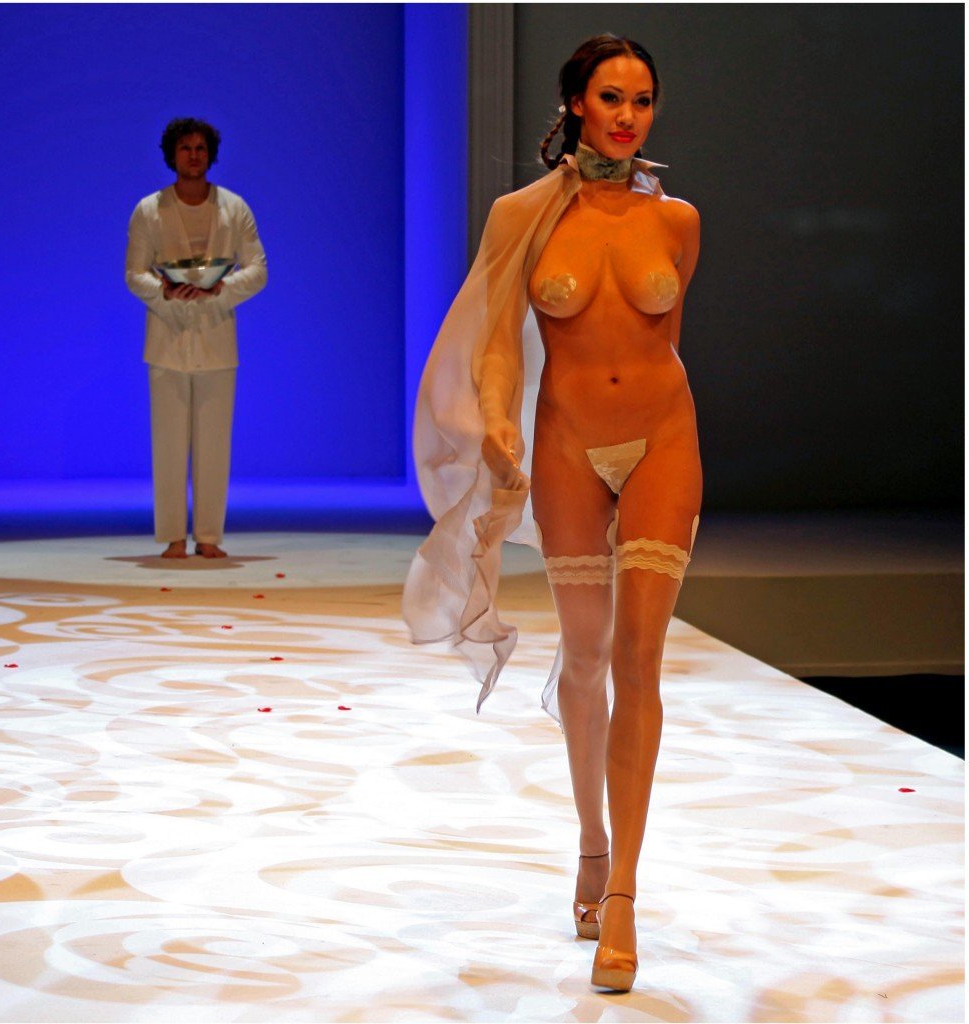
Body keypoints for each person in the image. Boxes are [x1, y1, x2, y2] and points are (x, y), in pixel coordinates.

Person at [403, 35, 700, 992]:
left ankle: (624, 900)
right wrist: (496, 419)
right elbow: (496, 339)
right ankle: (590, 843)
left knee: (640, 660)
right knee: (583, 655)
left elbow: (664, 343)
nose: (629, 116)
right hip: (568, 447)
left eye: (643, 100)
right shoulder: (522, 215)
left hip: (663, 441)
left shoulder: (679, 221)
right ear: (575, 103)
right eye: (612, 97)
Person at [125, 117, 267, 559]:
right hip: (167, 337)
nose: (193, 155)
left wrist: (222, 289)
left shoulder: (233, 208)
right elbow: (134, 273)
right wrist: (164, 290)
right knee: (168, 444)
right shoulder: (149, 210)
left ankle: (208, 536)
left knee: (214, 444)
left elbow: (258, 269)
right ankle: (172, 536)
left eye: (200, 148)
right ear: (172, 154)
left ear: (210, 154)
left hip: (216, 335)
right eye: (185, 148)